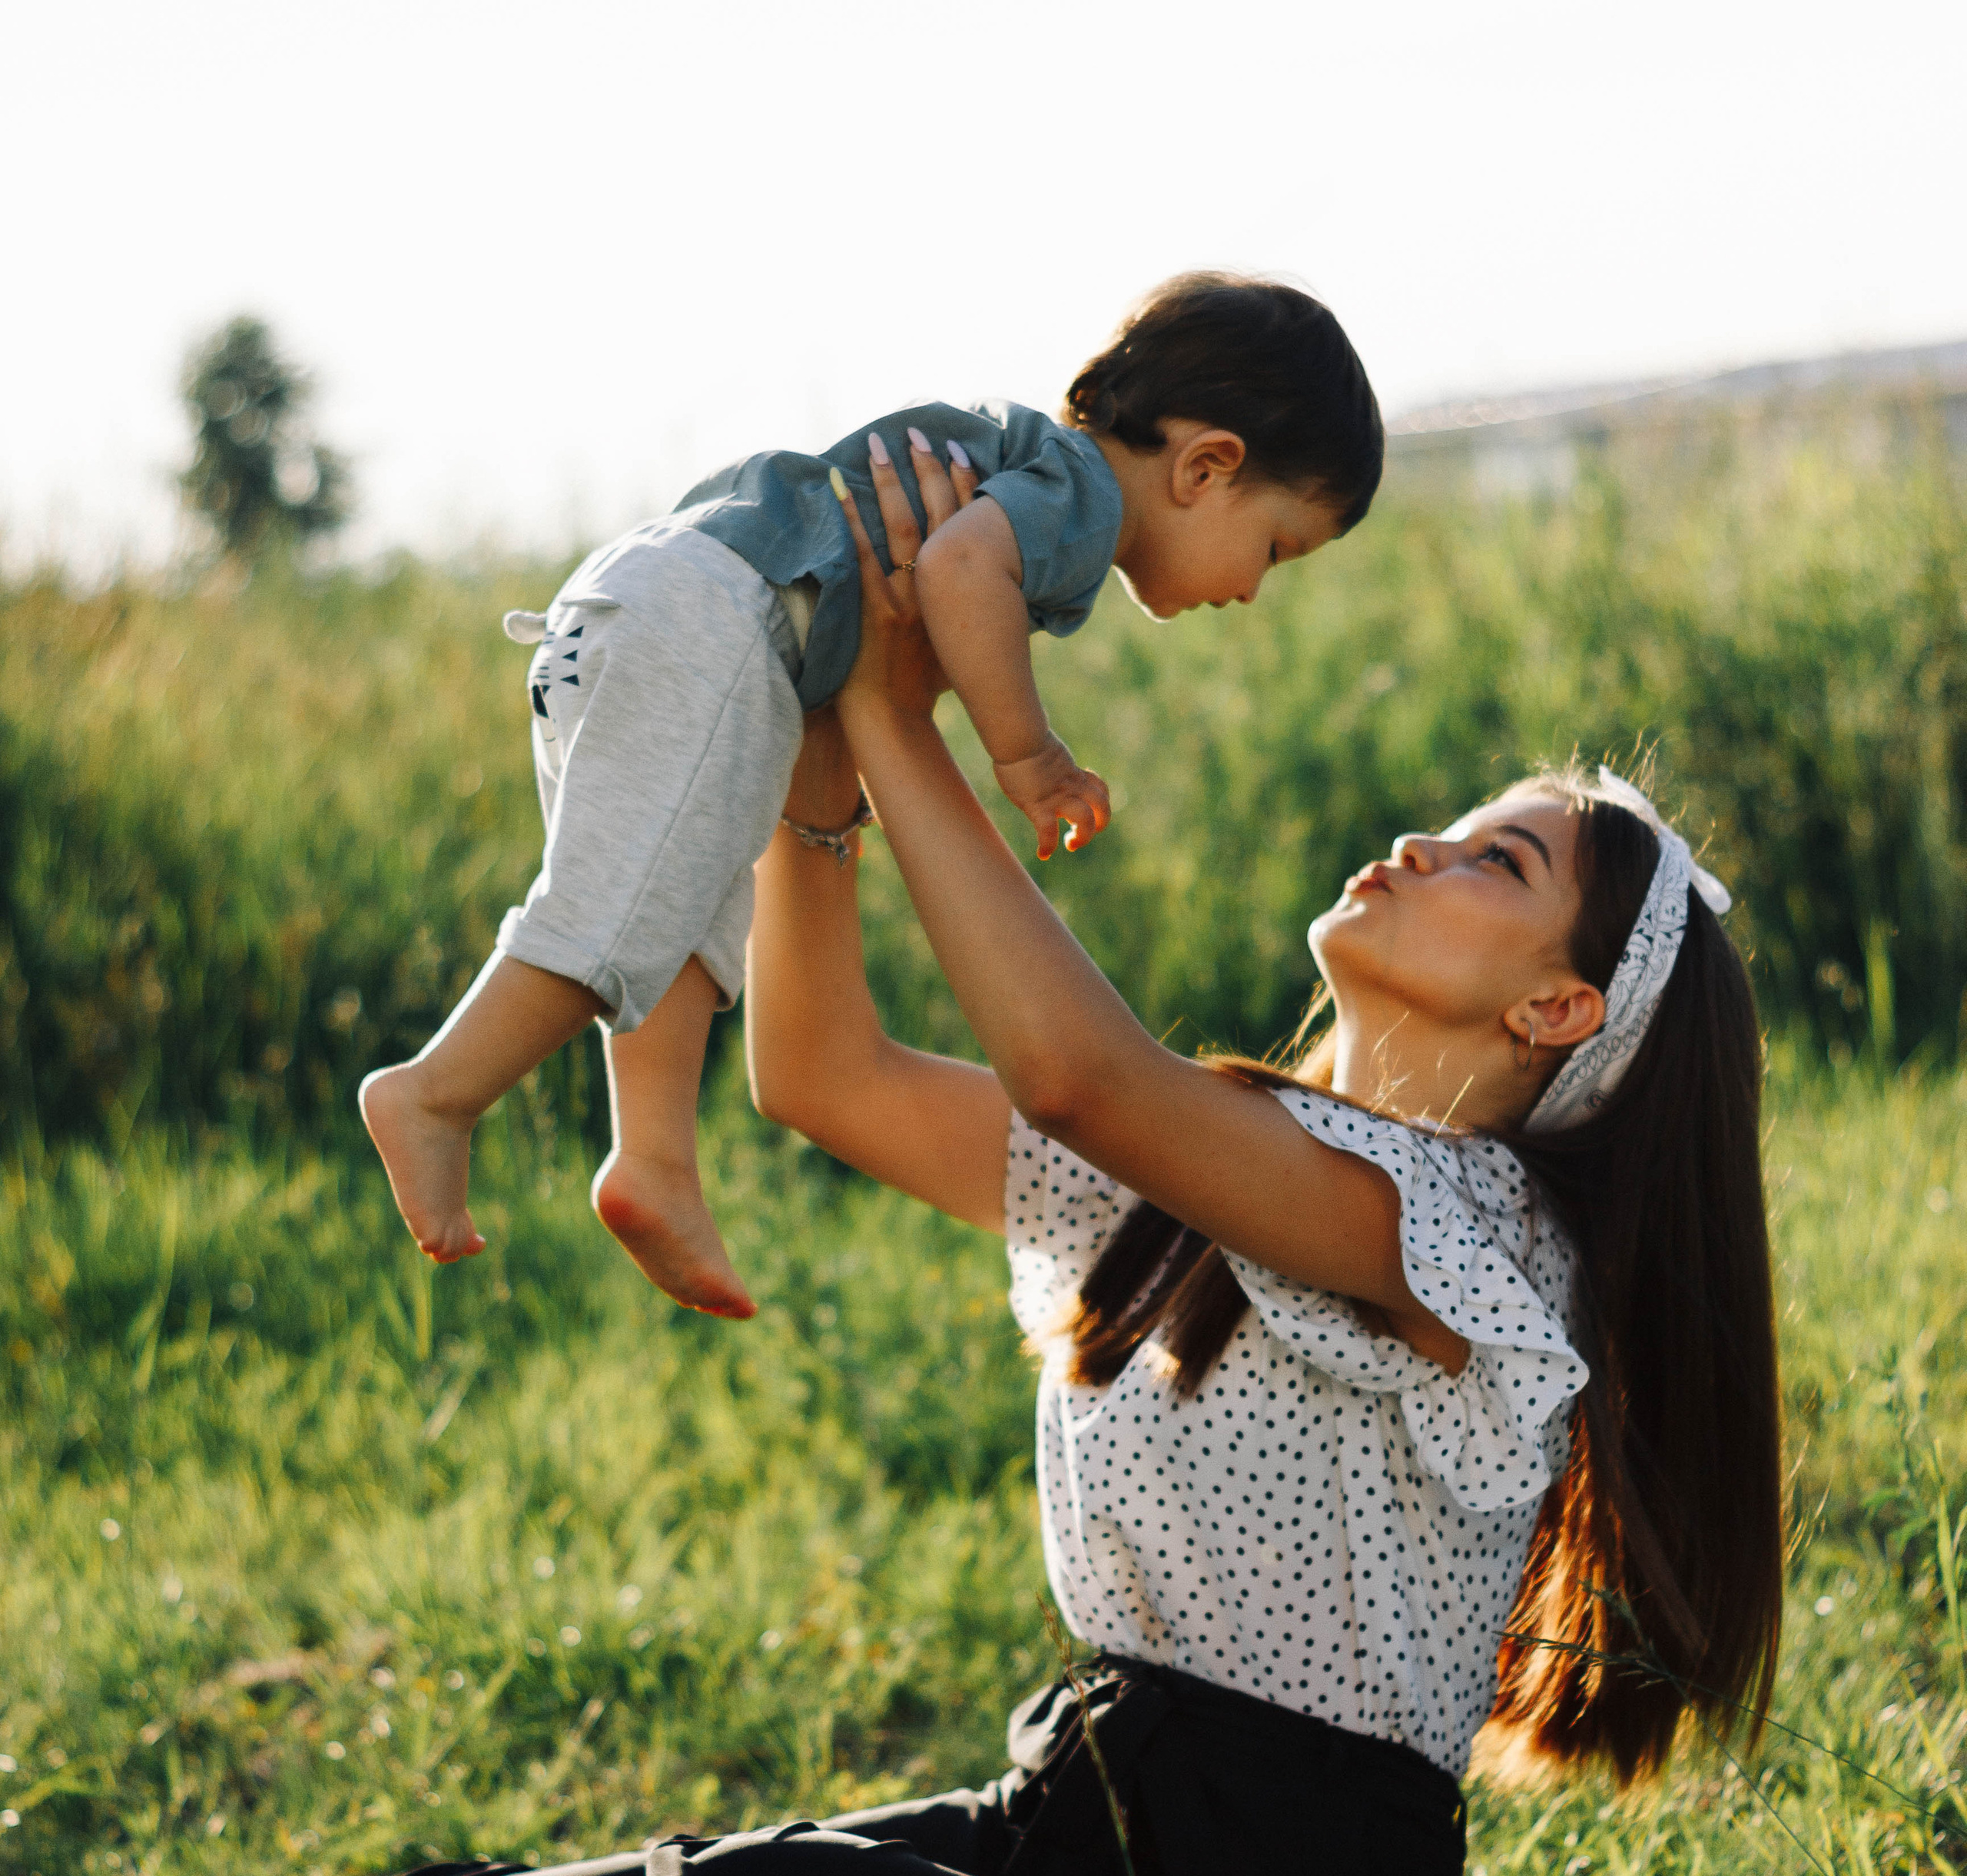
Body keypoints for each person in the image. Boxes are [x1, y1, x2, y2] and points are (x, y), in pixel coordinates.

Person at [304, 451, 1783, 1876]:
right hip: (1071, 1841)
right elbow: (819, 1074)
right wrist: (823, 755)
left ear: (1556, 1011)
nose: (1416, 844)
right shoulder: (1219, 1158)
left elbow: (1084, 1074)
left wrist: (890, 690)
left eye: (1495, 861)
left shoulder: (1482, 1243)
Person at [357, 273, 1380, 1321]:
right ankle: (436, 1093)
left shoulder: (1042, 473)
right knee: (617, 906)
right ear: (1208, 468)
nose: (1253, 589)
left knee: (684, 903)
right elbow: (957, 570)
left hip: (670, 606)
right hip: (710, 621)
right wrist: (1029, 760)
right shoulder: (1081, 502)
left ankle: (652, 1159)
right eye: (1275, 549)